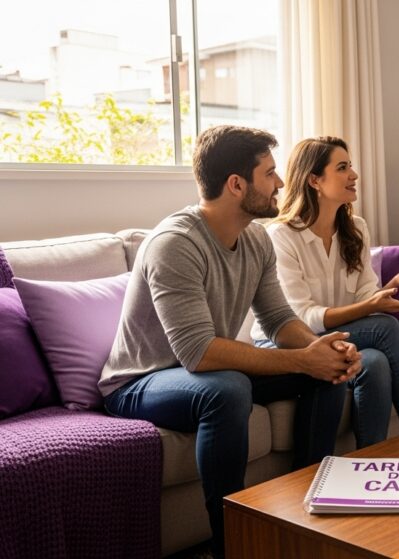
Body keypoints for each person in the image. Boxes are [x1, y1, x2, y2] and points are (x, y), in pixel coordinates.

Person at [101, 125, 363, 557]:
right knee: (227, 389)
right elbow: (199, 353)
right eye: (270, 174)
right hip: (140, 382)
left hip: (208, 370)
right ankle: (232, 545)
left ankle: (307, 519)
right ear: (237, 185)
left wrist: (321, 351)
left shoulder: (256, 238)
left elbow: (279, 318)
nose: (281, 183)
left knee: (325, 373)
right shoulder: (175, 244)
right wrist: (302, 361)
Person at [252, 135, 399, 448]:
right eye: (342, 167)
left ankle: (370, 462)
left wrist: (391, 286)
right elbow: (303, 319)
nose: (354, 175)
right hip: (282, 341)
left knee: (375, 361)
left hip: (339, 334)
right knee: (386, 327)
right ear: (314, 180)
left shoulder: (356, 228)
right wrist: (371, 306)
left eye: (351, 166)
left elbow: (366, 298)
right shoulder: (281, 236)